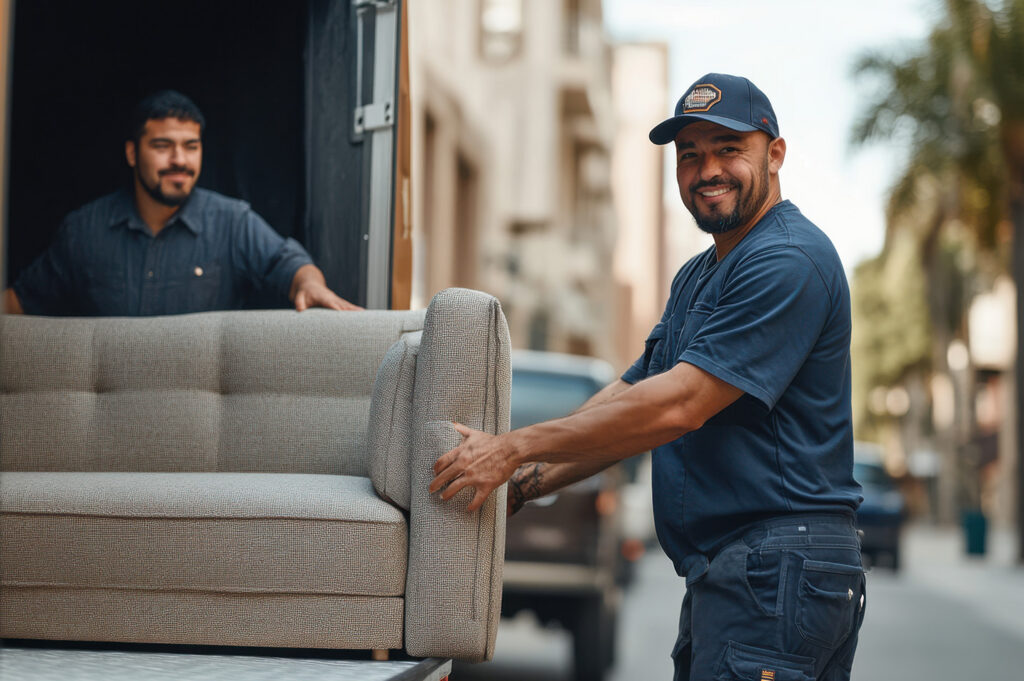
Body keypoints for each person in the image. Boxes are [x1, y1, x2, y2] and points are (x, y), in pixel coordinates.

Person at [430, 73, 865, 680]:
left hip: (778, 564)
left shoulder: (786, 260)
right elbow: (634, 394)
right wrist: (524, 483)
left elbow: (680, 405)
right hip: (742, 570)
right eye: (690, 156)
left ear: (775, 153)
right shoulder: (701, 273)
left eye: (728, 150)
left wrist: (512, 448)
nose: (706, 169)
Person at [4, 90, 359, 316]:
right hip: (106, 418)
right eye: (162, 146)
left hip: (203, 417)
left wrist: (310, 284)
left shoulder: (231, 222)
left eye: (191, 146)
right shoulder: (84, 229)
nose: (180, 160)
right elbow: (20, 302)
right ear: (132, 152)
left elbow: (289, 262)